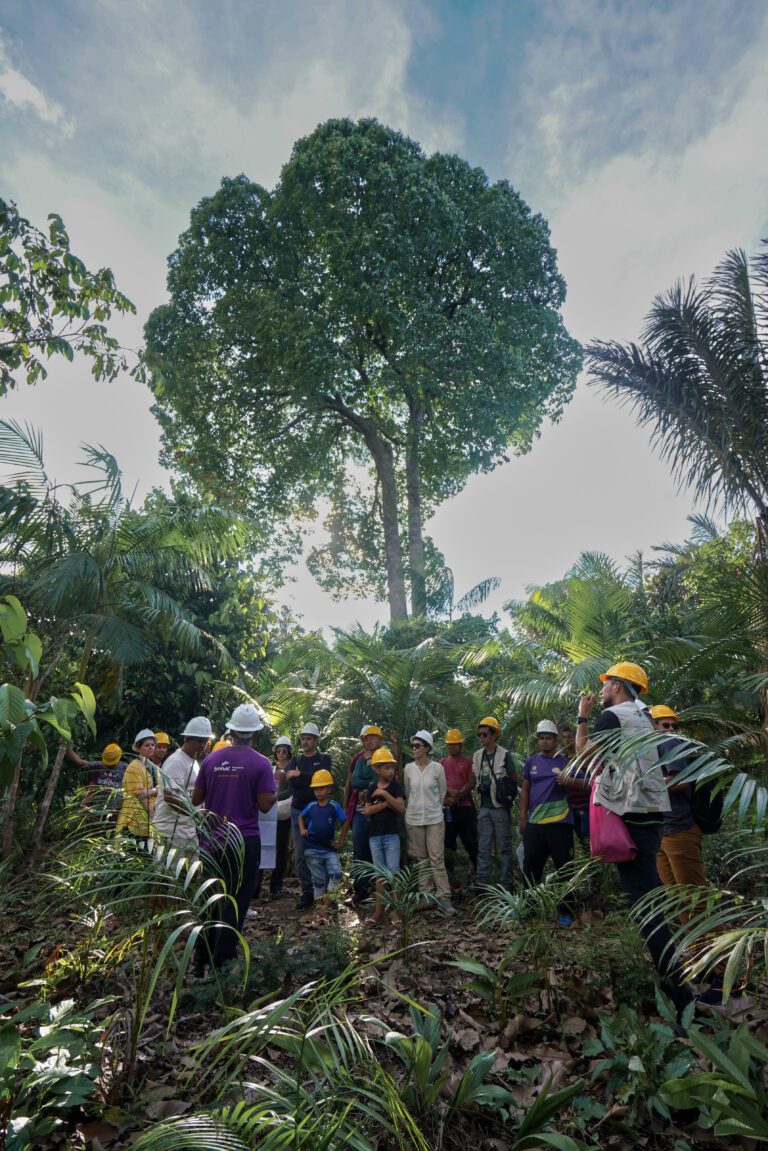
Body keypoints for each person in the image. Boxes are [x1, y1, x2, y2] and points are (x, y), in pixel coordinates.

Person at [576, 662, 691, 1014]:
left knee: (645, 905)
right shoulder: (646, 718)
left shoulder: (613, 717)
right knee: (650, 894)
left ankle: (680, 996)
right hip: (652, 813)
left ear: (619, 686)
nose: (604, 687)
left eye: (607, 682)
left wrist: (582, 716)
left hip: (633, 817)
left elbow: (583, 756)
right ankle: (675, 979)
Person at [192, 703, 275, 969]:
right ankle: (223, 961)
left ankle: (200, 957)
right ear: (255, 734)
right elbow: (264, 804)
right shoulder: (262, 764)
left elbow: (196, 798)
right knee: (236, 901)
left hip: (211, 838)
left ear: (230, 731)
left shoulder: (211, 760)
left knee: (211, 898)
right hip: (243, 840)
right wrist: (276, 789)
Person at [650, 705, 707, 921]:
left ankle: (712, 949)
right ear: (652, 726)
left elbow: (681, 781)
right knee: (675, 896)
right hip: (663, 831)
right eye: (666, 724)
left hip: (679, 829)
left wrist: (647, 787)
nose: (672, 729)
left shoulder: (669, 742)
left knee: (694, 896)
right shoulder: (652, 747)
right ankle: (694, 946)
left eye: (674, 725)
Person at [519, 720, 574, 926]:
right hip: (535, 823)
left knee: (564, 868)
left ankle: (566, 911)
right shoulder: (531, 762)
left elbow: (579, 786)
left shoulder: (565, 762)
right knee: (531, 866)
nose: (544, 741)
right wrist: (523, 817)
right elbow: (525, 789)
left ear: (555, 740)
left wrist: (567, 782)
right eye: (541, 738)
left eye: (548, 738)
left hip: (560, 824)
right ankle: (530, 908)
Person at [403, 730, 455, 915]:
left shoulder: (437, 768)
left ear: (427, 748)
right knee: (421, 860)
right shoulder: (408, 769)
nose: (414, 749)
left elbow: (442, 792)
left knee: (436, 858)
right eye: (413, 746)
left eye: (418, 746)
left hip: (434, 818)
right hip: (414, 819)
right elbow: (408, 793)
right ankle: (426, 896)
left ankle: (444, 897)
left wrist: (435, 807)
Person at [286, 722, 333, 910]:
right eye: (303, 738)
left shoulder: (324, 759)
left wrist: (301, 775)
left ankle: (329, 894)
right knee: (301, 853)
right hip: (298, 810)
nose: (305, 741)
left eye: (308, 738)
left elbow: (324, 778)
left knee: (324, 850)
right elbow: (293, 781)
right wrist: (308, 778)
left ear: (316, 740)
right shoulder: (295, 760)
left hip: (320, 811)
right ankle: (308, 893)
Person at [153, 716, 212, 854]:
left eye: (205, 741)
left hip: (186, 828)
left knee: (190, 872)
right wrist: (194, 814)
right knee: (171, 873)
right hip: (170, 829)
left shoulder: (192, 761)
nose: (202, 746)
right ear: (187, 739)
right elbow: (170, 795)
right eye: (199, 741)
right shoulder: (177, 761)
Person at [472, 716, 518, 890]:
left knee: (504, 847)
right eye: (480, 735)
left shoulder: (504, 754)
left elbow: (514, 778)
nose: (481, 737)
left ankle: (506, 883)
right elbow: (475, 778)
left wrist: (502, 787)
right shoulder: (477, 756)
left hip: (499, 808)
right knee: (483, 848)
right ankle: (482, 883)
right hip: (484, 807)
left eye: (485, 734)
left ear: (494, 735)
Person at [363, 746, 405, 925]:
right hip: (375, 836)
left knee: (393, 874)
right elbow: (367, 810)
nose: (391, 771)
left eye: (392, 768)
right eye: (387, 768)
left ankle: (396, 913)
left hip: (391, 836)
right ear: (377, 769)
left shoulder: (395, 786)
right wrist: (386, 803)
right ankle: (378, 912)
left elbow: (401, 808)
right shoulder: (372, 786)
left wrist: (385, 795)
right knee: (379, 875)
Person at [344, 724, 385, 905]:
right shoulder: (358, 759)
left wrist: (367, 782)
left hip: (380, 813)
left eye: (372, 737)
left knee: (378, 851)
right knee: (359, 851)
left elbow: (381, 781)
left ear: (379, 739)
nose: (368, 740)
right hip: (359, 812)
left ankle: (379, 892)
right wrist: (346, 809)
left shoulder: (385, 756)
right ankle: (360, 890)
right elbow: (353, 781)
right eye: (365, 738)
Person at [298, 769, 347, 906]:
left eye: (322, 788)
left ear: (329, 789)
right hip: (312, 848)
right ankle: (320, 910)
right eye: (316, 789)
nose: (318, 792)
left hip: (329, 849)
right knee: (318, 880)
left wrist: (341, 841)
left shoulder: (334, 806)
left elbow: (345, 821)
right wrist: (302, 829)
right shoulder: (312, 806)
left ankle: (326, 905)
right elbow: (301, 816)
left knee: (336, 873)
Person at [253, 735, 293, 901]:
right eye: (278, 751)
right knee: (262, 848)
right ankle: (256, 887)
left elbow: (291, 791)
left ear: (289, 752)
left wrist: (277, 792)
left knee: (281, 850)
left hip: (284, 813)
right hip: (267, 814)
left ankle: (276, 886)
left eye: (284, 750)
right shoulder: (269, 768)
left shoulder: (292, 769)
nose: (281, 753)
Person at [439, 728, 478, 884]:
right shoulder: (441, 763)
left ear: (461, 745)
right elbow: (437, 783)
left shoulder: (468, 762)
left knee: (471, 842)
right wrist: (448, 795)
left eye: (456, 744)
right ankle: (450, 878)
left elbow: (471, 782)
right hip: (447, 809)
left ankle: (479, 873)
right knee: (449, 844)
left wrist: (456, 796)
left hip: (465, 808)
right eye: (450, 744)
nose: (453, 747)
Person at [115, 729, 157, 845]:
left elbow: (161, 788)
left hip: (148, 823)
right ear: (138, 748)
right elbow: (139, 795)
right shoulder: (134, 767)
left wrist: (151, 791)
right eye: (147, 745)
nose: (150, 748)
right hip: (135, 821)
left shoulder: (153, 767)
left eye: (152, 745)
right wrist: (152, 816)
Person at [68, 742, 127, 820]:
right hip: (97, 805)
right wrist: (67, 746)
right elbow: (79, 761)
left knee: (115, 824)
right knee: (92, 822)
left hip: (115, 807)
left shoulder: (125, 768)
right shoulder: (98, 766)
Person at [560, 724, 589, 845]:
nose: (567, 739)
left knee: (588, 838)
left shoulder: (583, 757)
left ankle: (595, 863)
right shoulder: (561, 761)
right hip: (570, 807)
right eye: (565, 737)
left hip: (586, 806)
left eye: (570, 737)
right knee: (580, 840)